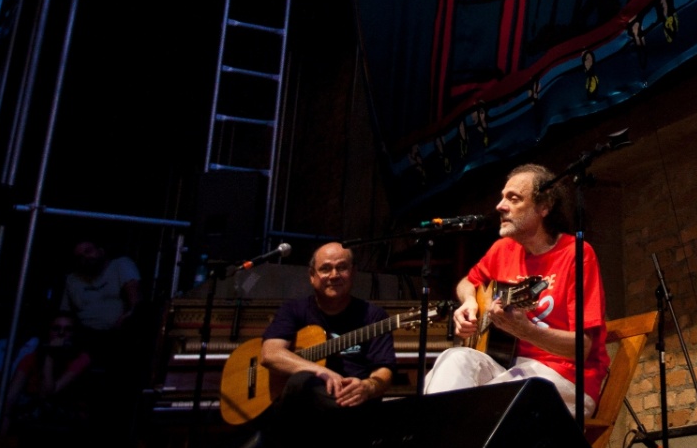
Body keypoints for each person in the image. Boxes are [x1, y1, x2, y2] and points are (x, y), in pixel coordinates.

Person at [424, 165, 609, 413]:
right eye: (502, 197)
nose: (500, 206)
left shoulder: (576, 254)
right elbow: (468, 282)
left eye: (514, 198)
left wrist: (526, 331)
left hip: (566, 377)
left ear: (544, 208)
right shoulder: (503, 249)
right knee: (454, 359)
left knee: (491, 401)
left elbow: (582, 348)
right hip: (511, 367)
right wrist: (469, 302)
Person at [261, 243, 395, 410]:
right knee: (301, 381)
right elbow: (270, 354)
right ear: (312, 275)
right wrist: (319, 371)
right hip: (301, 409)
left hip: (353, 405)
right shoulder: (294, 310)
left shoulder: (373, 316)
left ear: (353, 272)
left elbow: (384, 369)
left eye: (342, 268)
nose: (334, 275)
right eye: (325, 269)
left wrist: (368, 387)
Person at [0, 312, 94, 433]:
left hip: (68, 411)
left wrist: (50, 355)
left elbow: (48, 393)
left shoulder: (81, 359)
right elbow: (11, 396)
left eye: (67, 330)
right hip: (35, 408)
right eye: (56, 329)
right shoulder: (31, 358)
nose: (61, 333)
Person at [59, 240, 143, 350]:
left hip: (116, 333)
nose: (85, 257)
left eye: (88, 251)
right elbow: (65, 313)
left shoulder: (120, 265)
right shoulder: (72, 279)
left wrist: (128, 316)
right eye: (80, 257)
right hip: (83, 335)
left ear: (101, 251)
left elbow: (136, 301)